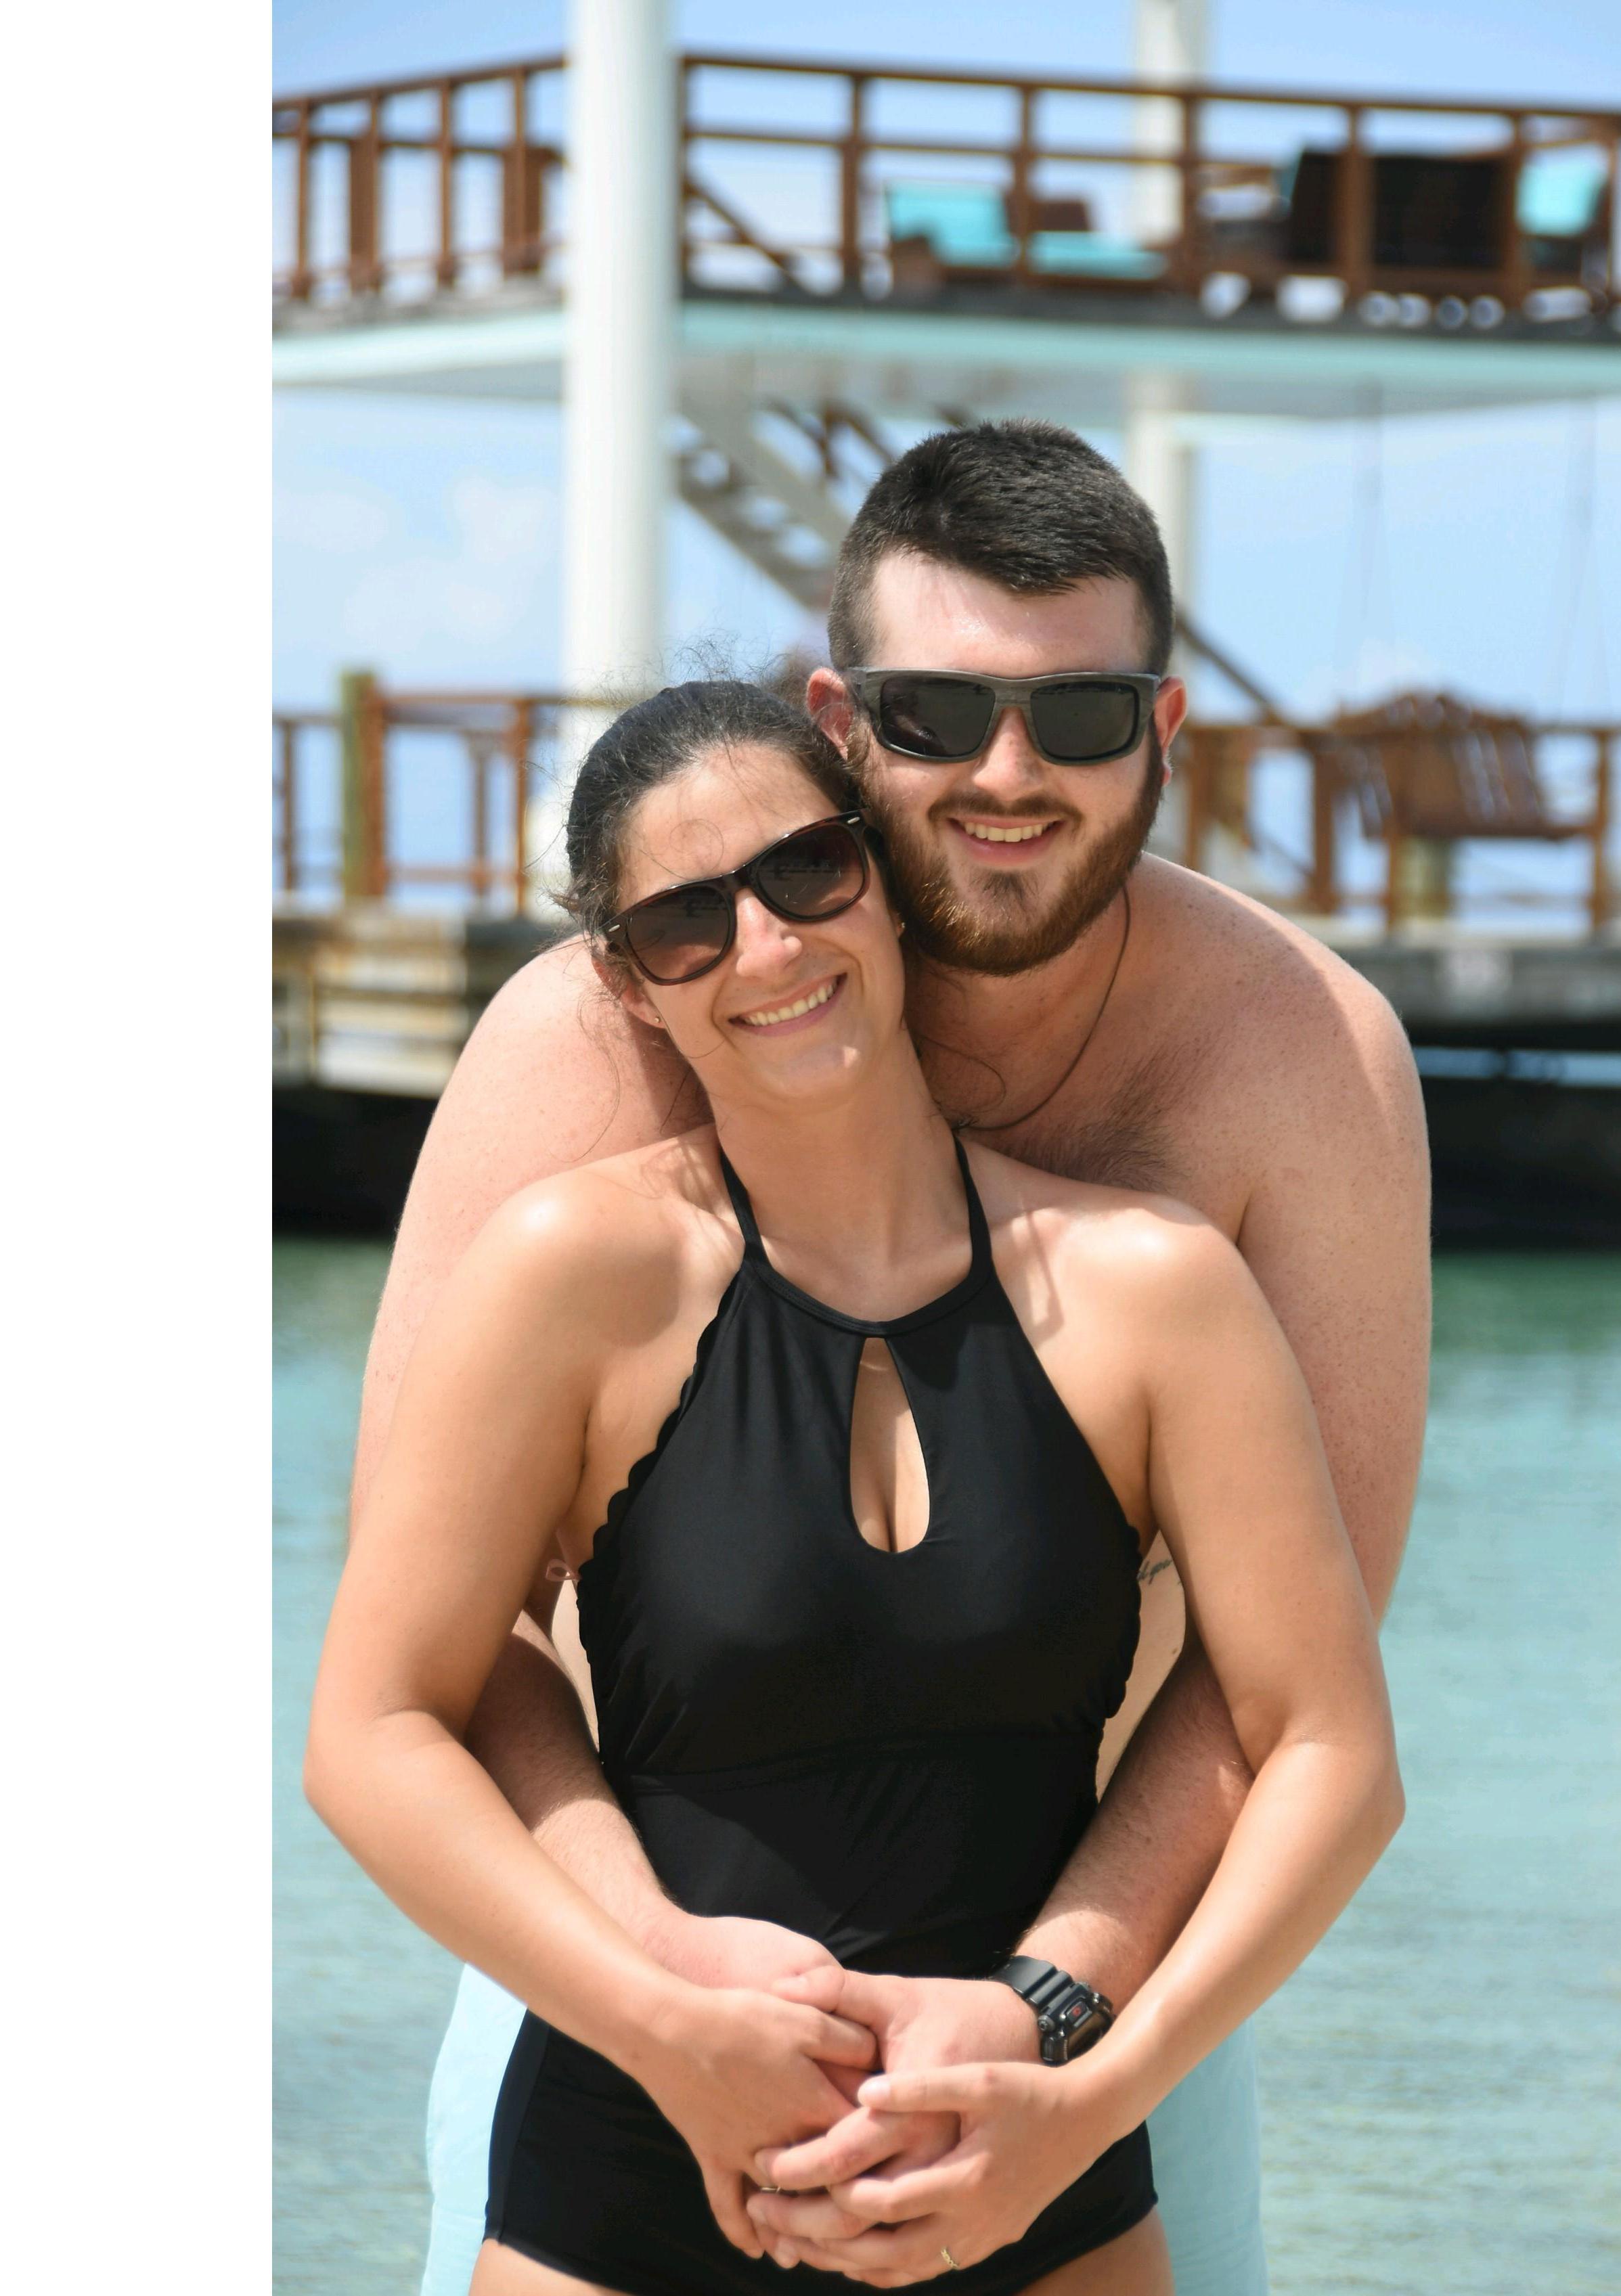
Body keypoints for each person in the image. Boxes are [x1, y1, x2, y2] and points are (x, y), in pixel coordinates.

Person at [357, 421, 1434, 2296]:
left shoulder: (1300, 1063)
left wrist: (1052, 2007)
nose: (1008, 774)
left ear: (1164, 728)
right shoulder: (602, 1032)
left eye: (1078, 715)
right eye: (938, 714)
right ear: (844, 720)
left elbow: (1301, 1673)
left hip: (1105, 1976)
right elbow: (434, 1640)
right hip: (625, 1984)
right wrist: (664, 1980)